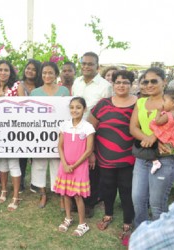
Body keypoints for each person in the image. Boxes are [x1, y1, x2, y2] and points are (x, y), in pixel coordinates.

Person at [88, 70, 137, 242]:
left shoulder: (138, 104)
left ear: (131, 85)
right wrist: (92, 152)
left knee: (127, 189)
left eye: (125, 82)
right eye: (118, 82)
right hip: (104, 155)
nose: (121, 85)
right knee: (107, 187)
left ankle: (127, 222)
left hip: (129, 157)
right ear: (113, 84)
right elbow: (90, 128)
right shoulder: (103, 103)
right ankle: (108, 214)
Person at [129, 67, 174, 229]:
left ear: (164, 82)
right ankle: (142, 235)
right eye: (145, 81)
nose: (149, 84)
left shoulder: (171, 104)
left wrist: (156, 137)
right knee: (138, 199)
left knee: (157, 203)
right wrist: (150, 139)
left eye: (154, 81)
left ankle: (160, 239)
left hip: (165, 159)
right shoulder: (141, 102)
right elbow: (133, 128)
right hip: (143, 156)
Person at [71, 51, 112, 218]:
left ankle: (90, 203)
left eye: (90, 64)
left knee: (93, 168)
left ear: (97, 66)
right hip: (76, 131)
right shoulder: (77, 82)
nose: (86, 66)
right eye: (84, 63)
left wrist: (93, 146)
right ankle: (76, 199)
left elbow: (106, 113)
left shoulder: (105, 86)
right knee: (78, 165)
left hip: (96, 133)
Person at [30, 61, 70, 208]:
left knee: (57, 164)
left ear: (56, 75)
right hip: (40, 135)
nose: (47, 76)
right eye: (44, 73)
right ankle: (43, 194)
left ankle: (60, 194)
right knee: (39, 164)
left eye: (50, 73)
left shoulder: (64, 91)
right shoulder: (35, 93)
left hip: (59, 133)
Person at [53, 97, 95, 237]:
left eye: (78, 107)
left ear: (84, 109)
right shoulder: (64, 125)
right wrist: (65, 164)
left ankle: (82, 224)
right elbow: (60, 146)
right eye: (72, 107)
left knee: (77, 195)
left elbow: (88, 150)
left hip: (80, 167)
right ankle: (68, 218)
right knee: (65, 193)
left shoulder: (88, 127)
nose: (74, 110)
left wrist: (74, 165)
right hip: (64, 166)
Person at [0, 60, 21, 211]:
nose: (3, 72)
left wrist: (5, 98)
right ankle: (3, 189)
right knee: (2, 161)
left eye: (6, 70)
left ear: (11, 72)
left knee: (13, 162)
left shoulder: (17, 86)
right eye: (0, 70)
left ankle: (15, 196)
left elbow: (24, 105)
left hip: (14, 129)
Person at [17, 59, 43, 192]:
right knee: (22, 154)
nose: (30, 71)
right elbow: (23, 103)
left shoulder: (42, 85)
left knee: (36, 155)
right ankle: (20, 182)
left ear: (38, 72)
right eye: (28, 68)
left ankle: (36, 183)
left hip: (39, 124)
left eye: (33, 69)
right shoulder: (20, 85)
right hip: (23, 124)